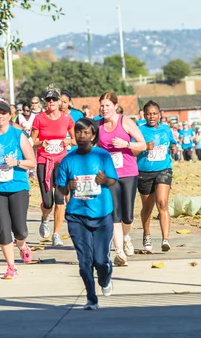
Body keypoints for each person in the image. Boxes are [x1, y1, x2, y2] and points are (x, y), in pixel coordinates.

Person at [56, 118, 117, 310]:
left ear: (94, 136)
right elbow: (60, 190)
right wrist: (68, 187)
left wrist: (105, 179)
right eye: (78, 132)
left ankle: (105, 278)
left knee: (100, 260)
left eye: (86, 133)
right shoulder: (68, 160)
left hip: (102, 215)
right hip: (77, 216)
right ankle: (91, 298)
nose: (82, 136)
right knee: (85, 261)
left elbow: (114, 181)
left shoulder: (103, 156)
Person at [0, 101, 36, 279]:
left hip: (17, 185)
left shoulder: (18, 135)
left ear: (9, 116)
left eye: (3, 113)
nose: (0, 116)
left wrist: (17, 163)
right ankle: (11, 266)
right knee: (3, 226)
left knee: (20, 229)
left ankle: (22, 244)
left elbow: (32, 161)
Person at [97, 92, 146, 267]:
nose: (104, 109)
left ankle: (126, 237)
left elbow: (143, 144)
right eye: (102, 105)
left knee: (128, 216)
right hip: (110, 176)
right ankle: (119, 252)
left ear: (116, 106)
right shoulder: (99, 125)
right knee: (114, 214)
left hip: (128, 172)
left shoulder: (125, 122)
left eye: (107, 105)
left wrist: (126, 144)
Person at [31, 85, 76, 247]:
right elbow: (32, 141)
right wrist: (41, 142)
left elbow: (76, 138)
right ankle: (44, 219)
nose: (51, 103)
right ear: (45, 102)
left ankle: (56, 234)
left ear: (59, 102)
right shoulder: (39, 119)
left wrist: (69, 141)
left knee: (60, 198)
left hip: (61, 162)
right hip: (44, 162)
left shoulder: (67, 119)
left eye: (54, 100)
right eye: (48, 100)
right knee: (48, 202)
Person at [137, 101, 177, 252]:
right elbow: (132, 150)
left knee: (162, 203)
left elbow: (173, 143)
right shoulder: (139, 131)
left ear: (159, 114)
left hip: (164, 169)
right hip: (144, 172)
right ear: (144, 115)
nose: (151, 116)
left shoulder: (166, 130)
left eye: (154, 113)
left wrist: (173, 147)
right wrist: (144, 147)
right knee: (147, 207)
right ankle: (146, 234)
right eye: (148, 113)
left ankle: (165, 239)